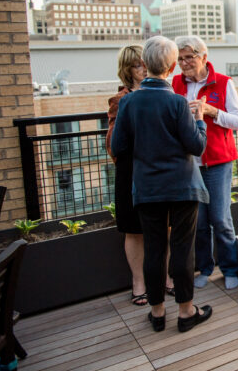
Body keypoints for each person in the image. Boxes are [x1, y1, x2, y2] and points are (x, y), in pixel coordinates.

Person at [110, 36, 212, 333]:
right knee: (182, 250)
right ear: (170, 66)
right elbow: (196, 146)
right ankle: (185, 312)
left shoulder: (128, 102)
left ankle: (157, 314)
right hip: (182, 187)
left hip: (148, 189)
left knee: (154, 250)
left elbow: (119, 147)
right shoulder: (178, 103)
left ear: (148, 64)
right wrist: (200, 119)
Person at [172, 36, 238, 290]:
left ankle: (230, 268)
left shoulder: (223, 83)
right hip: (191, 163)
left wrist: (213, 113)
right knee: (199, 222)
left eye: (189, 57)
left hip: (219, 160)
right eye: (180, 59)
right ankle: (205, 268)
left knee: (220, 218)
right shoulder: (175, 84)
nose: (184, 63)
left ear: (203, 56)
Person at [105, 44, 148, 306]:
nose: (142, 68)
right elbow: (112, 143)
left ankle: (165, 278)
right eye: (136, 64)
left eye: (145, 63)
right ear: (126, 70)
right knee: (133, 230)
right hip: (131, 170)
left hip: (158, 169)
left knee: (164, 227)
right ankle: (139, 282)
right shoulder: (119, 101)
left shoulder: (164, 93)